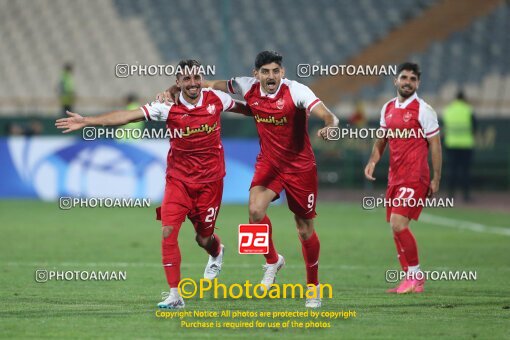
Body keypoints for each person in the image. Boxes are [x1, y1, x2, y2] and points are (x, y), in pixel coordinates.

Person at [55, 59, 250, 309]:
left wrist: (275, 113)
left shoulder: (216, 99)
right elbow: (126, 116)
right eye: (187, 79)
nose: (193, 83)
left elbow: (247, 109)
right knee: (168, 231)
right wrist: (88, 121)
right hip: (178, 181)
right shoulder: (166, 106)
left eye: (196, 78)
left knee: (204, 238)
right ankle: (175, 295)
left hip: (210, 182)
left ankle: (217, 251)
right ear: (177, 83)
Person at [159, 51, 339, 308]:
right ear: (256, 74)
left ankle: (313, 286)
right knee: (255, 211)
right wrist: (171, 90)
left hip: (300, 167)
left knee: (304, 228)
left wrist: (330, 125)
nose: (271, 76)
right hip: (269, 164)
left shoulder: (297, 91)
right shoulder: (246, 85)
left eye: (275, 71)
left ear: (282, 72)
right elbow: (204, 84)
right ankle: (272, 261)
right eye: (265, 72)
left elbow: (327, 114)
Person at [364, 62, 442, 294]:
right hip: (395, 177)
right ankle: (408, 279)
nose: (408, 82)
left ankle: (416, 277)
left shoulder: (423, 109)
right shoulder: (387, 107)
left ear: (417, 83)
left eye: (412, 79)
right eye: (404, 77)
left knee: (398, 224)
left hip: (415, 176)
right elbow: (382, 138)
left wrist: (436, 178)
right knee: (394, 227)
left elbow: (435, 146)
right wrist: (373, 160)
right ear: (395, 81)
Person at [442, 91, 475, 202]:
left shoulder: (448, 110)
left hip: (451, 144)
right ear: (464, 98)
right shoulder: (468, 110)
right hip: (466, 145)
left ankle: (450, 195)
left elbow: (443, 127)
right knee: (465, 171)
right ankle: (466, 196)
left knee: (452, 170)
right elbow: (474, 127)